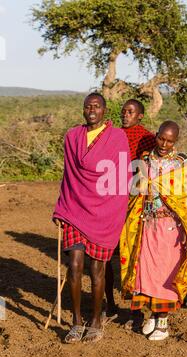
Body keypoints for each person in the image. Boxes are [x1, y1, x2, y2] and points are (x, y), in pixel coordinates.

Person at [53, 92, 131, 343]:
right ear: (83, 110)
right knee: (75, 267)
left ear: (105, 110)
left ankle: (96, 320)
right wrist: (60, 208)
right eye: (87, 107)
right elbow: (69, 176)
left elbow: (121, 180)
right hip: (74, 210)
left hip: (104, 214)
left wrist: (115, 212)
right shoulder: (73, 136)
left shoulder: (117, 137)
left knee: (97, 271)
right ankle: (76, 322)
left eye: (96, 107)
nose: (91, 111)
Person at [120, 121, 187, 340]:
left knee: (165, 271)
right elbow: (138, 188)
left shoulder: (183, 162)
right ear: (156, 135)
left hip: (171, 224)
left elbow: (185, 195)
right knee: (147, 269)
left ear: (176, 141)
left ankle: (163, 321)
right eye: (161, 138)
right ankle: (152, 314)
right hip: (148, 222)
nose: (164, 144)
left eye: (170, 141)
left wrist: (158, 186)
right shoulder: (145, 158)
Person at [105, 99, 156, 316]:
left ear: (140, 116)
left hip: (135, 201)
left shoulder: (147, 138)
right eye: (124, 111)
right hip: (110, 199)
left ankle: (136, 309)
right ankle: (108, 302)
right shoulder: (113, 135)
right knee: (105, 255)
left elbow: (148, 172)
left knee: (135, 253)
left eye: (130, 112)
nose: (125, 115)